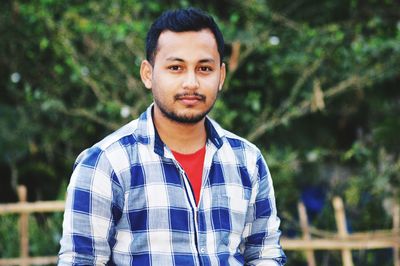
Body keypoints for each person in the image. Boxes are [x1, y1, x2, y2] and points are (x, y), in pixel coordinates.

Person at [58, 7, 286, 266]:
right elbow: (80, 261)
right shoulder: (105, 164)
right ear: (148, 74)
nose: (191, 82)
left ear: (220, 76)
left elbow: (264, 254)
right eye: (176, 67)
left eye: (204, 68)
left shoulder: (247, 160)